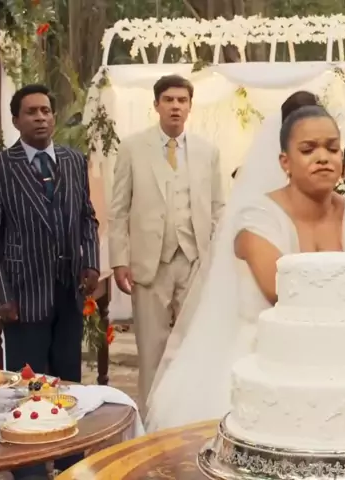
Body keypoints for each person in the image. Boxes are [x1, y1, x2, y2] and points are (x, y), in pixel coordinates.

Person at [143, 105, 345, 431]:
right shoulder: (256, 217)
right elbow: (281, 289)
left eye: (331, 148)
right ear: (284, 162)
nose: (322, 158)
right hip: (267, 361)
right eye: (308, 149)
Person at [0, 84, 100, 478]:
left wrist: (91, 264)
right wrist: (2, 294)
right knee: (30, 386)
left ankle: (69, 461)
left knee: (68, 384)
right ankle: (28, 467)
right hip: (23, 295)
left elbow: (87, 219)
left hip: (68, 292)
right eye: (31, 112)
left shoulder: (73, 161)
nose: (41, 117)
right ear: (16, 120)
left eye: (46, 110)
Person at [108, 74, 225, 411]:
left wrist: (212, 254)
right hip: (150, 264)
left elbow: (218, 207)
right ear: (156, 105)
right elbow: (119, 208)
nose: (176, 106)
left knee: (196, 347)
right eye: (169, 100)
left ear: (190, 106)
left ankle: (193, 415)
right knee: (151, 351)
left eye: (182, 100)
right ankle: (150, 420)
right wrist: (119, 259)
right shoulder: (133, 148)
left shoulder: (207, 151)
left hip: (195, 261)